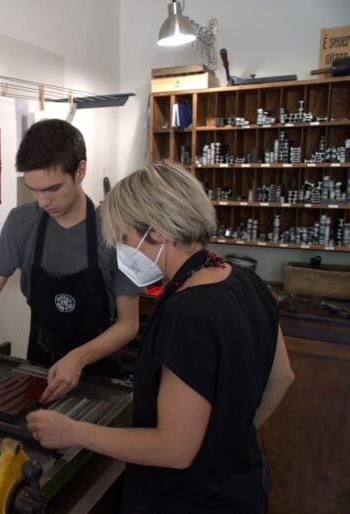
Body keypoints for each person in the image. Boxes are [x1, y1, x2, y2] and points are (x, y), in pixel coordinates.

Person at [26, 161, 295, 514]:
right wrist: (226, 442)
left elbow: (173, 449)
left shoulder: (187, 313)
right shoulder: (248, 282)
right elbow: (282, 377)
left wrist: (74, 432)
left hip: (190, 501)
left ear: (159, 231)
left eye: (124, 238)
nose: (122, 249)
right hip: (242, 488)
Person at [0, 119, 142, 406]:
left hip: (100, 378)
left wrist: (78, 358)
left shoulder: (115, 230)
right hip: (39, 370)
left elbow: (129, 324)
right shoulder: (21, 222)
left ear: (80, 170)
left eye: (52, 189)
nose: (42, 201)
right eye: (33, 190)